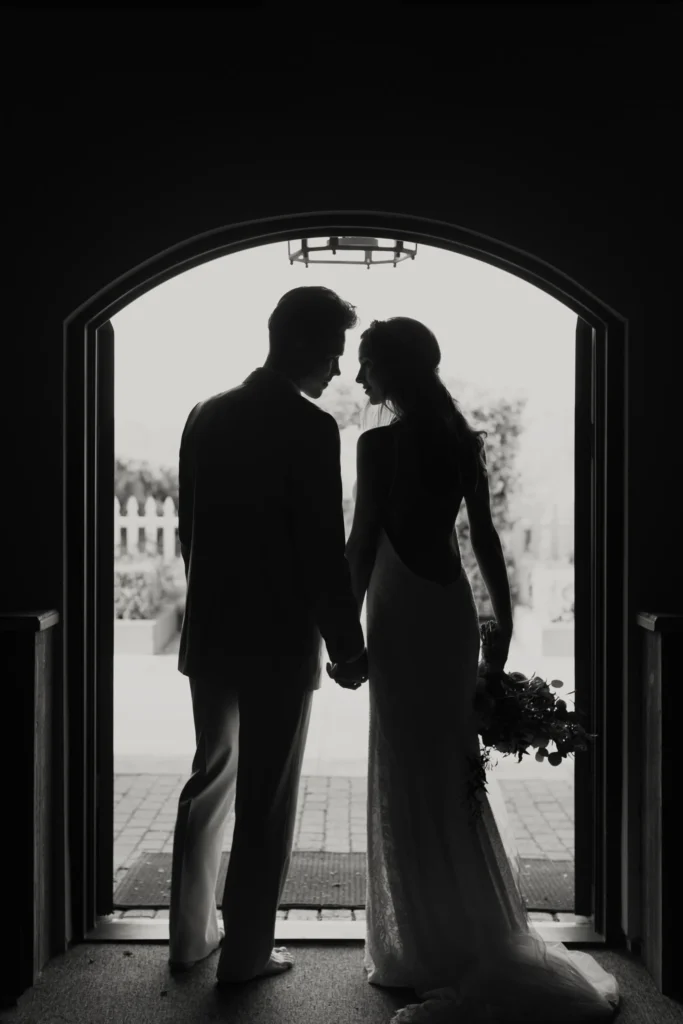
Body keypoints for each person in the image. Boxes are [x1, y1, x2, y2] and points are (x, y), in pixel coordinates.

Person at [338, 317, 620, 1023]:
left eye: (367, 363)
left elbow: (363, 539)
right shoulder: (461, 441)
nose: (357, 378)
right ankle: (462, 927)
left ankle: (419, 943)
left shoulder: (376, 445)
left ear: (393, 370)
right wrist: (504, 623)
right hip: (449, 608)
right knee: (448, 761)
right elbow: (484, 536)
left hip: (400, 609)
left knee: (406, 766)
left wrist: (343, 636)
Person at [168, 286, 369, 984]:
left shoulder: (205, 414)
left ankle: (189, 940)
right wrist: (345, 642)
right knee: (266, 799)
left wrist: (209, 599)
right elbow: (321, 550)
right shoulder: (309, 428)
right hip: (279, 638)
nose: (337, 371)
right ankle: (246, 957)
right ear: (301, 342)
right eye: (333, 353)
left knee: (209, 781)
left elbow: (187, 531)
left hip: (213, 630)